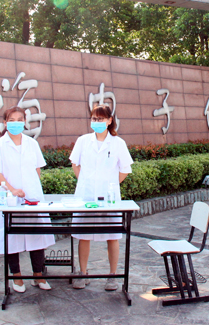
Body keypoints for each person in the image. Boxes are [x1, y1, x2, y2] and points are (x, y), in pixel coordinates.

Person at [0, 106, 55, 293]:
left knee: (36, 235)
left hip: (32, 197)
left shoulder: (31, 144)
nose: (16, 123)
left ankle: (38, 276)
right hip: (10, 198)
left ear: (24, 122)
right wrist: (12, 190)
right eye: (11, 120)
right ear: (5, 123)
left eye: (19, 120)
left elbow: (37, 169)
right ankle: (16, 278)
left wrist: (32, 188)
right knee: (12, 238)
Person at [69, 104, 133, 291]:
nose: (97, 122)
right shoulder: (83, 141)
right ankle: (83, 273)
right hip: (86, 195)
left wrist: (111, 185)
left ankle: (112, 276)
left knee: (112, 235)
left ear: (109, 120)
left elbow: (125, 169)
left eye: (101, 119)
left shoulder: (118, 143)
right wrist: (84, 182)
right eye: (94, 119)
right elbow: (75, 163)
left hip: (109, 198)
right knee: (84, 235)